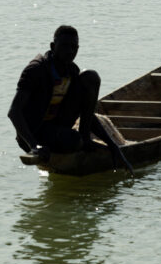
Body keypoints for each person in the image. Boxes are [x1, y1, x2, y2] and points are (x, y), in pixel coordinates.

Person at [8, 25, 100, 162]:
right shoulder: (36, 70)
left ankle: (85, 139)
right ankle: (72, 142)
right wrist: (34, 146)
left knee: (90, 77)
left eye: (73, 47)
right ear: (53, 46)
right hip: (34, 133)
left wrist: (112, 145)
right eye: (64, 46)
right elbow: (14, 112)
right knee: (73, 140)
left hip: (56, 126)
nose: (69, 51)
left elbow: (87, 111)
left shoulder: (72, 71)